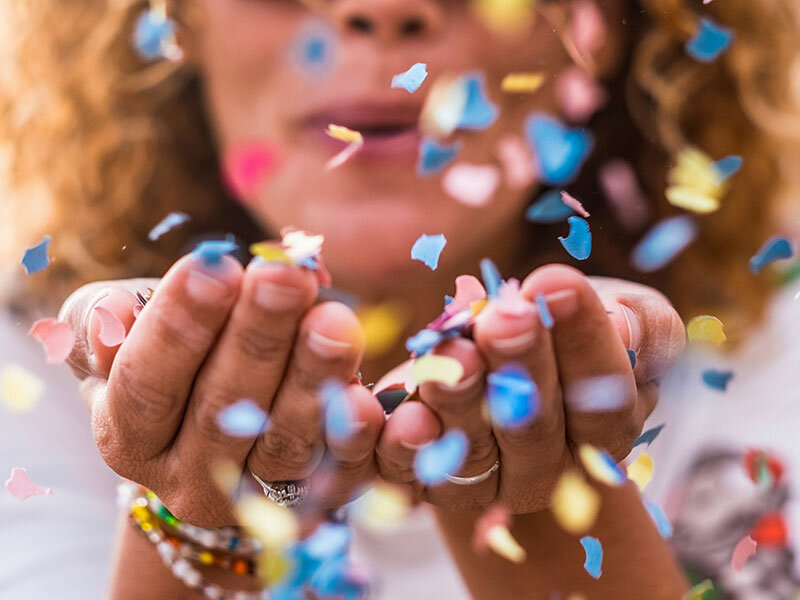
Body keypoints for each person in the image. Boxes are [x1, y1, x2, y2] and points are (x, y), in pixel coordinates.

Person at [0, 0, 798, 598]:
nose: (380, 8)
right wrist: (202, 525)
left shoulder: (774, 329)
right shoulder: (23, 361)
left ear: (616, 22)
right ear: (176, 21)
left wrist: (549, 505)